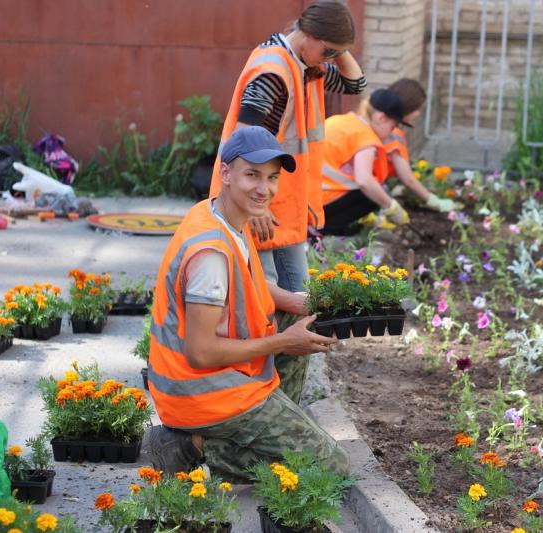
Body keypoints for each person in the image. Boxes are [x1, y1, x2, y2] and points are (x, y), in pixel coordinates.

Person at [147, 127, 347, 481]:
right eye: (252, 175)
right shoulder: (209, 254)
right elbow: (201, 353)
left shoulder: (219, 215)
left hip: (219, 378)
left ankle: (269, 429)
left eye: (272, 178)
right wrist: (285, 342)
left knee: (306, 327)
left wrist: (300, 302)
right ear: (225, 174)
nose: (264, 188)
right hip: (201, 389)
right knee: (331, 468)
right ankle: (193, 449)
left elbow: (248, 284)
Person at [207, 0, 365, 406]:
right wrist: (255, 209)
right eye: (328, 50)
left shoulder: (304, 64)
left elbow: (354, 85)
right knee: (260, 307)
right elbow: (245, 148)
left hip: (285, 208)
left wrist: (337, 46)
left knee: (297, 302)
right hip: (258, 208)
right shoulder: (275, 73)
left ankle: (285, 397)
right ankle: (258, 398)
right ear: (308, 36)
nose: (331, 60)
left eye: (334, 53)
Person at [320, 89, 412, 236]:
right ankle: (325, 229)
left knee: (373, 190)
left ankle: (328, 225)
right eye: (393, 127)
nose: (392, 132)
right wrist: (391, 207)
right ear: (381, 118)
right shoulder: (366, 137)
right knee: (374, 193)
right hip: (316, 203)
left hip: (302, 196)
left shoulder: (344, 120)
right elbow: (364, 181)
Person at [383, 78, 456, 214]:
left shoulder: (377, 122)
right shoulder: (392, 134)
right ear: (407, 107)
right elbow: (407, 179)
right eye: (417, 108)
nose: (418, 113)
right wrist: (433, 201)